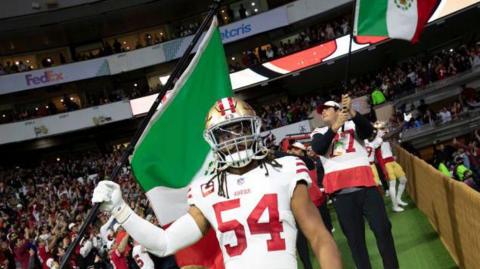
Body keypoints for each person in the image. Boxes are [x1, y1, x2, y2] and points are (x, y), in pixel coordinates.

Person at [92, 97, 342, 269]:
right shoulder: (206, 189)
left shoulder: (285, 168)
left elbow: (319, 237)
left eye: (240, 129)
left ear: (253, 130)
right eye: (224, 134)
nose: (233, 140)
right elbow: (164, 243)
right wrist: (120, 209)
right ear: (213, 141)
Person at [311, 96, 399, 269]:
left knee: (383, 229)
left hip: (367, 187)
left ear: (338, 110)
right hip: (341, 195)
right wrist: (336, 127)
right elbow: (319, 148)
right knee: (356, 242)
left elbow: (369, 132)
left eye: (327, 109)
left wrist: (352, 112)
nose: (323, 113)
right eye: (321, 111)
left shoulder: (353, 125)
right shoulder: (319, 133)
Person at [373, 122, 408, 213]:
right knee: (392, 184)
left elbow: (394, 136)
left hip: (391, 160)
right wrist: (405, 122)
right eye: (382, 128)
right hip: (385, 163)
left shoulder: (384, 136)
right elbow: (393, 132)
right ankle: (394, 206)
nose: (384, 129)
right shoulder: (377, 138)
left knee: (403, 179)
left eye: (384, 127)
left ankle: (398, 199)